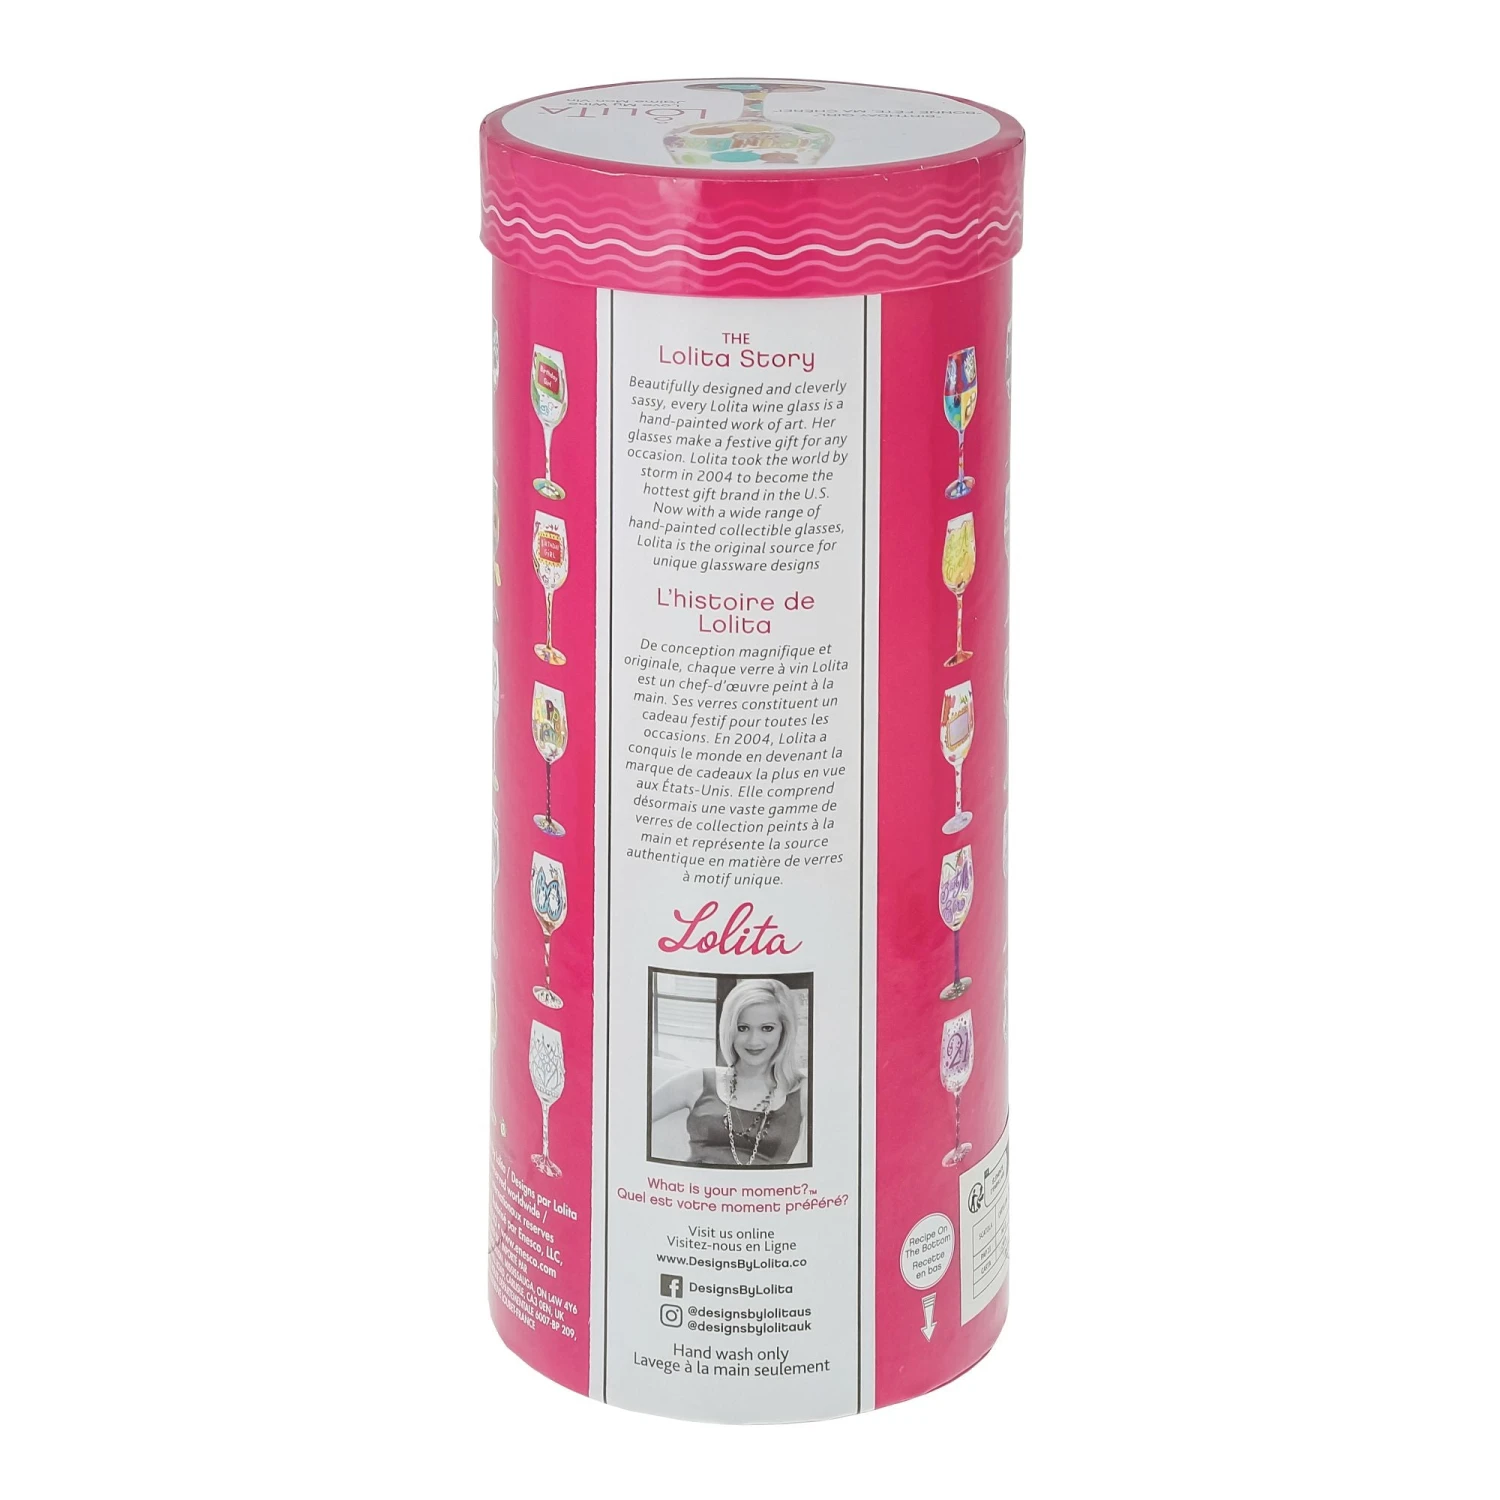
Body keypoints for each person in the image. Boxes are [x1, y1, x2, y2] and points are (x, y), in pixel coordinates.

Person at [651, 978, 805, 1166]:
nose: (754, 1041)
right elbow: (628, 1118)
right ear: (729, 1030)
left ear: (784, 1031)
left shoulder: (803, 1091)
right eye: (742, 1028)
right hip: (695, 1183)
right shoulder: (697, 1081)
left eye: (767, 1028)